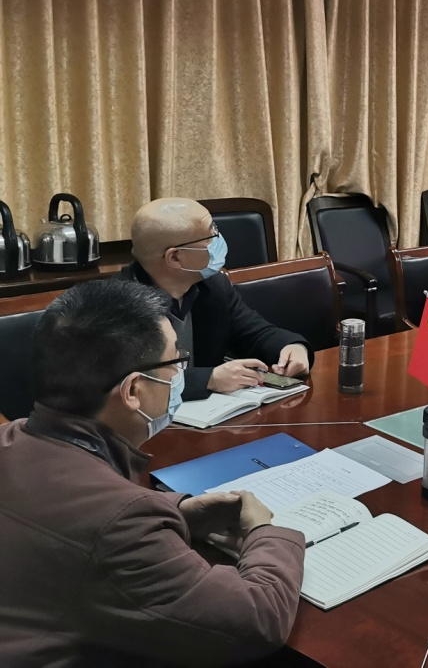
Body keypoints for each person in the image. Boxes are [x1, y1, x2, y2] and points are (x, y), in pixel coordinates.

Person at [0, 279, 304, 666]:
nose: (180, 376)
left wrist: (176, 511)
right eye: (175, 363)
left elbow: (67, 517)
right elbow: (257, 621)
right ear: (133, 390)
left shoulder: (11, 438)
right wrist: (265, 532)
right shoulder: (123, 523)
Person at [116, 197, 311, 400]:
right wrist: (209, 379)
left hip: (212, 412)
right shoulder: (116, 305)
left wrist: (293, 347)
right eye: (211, 235)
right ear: (175, 257)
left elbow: (254, 333)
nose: (218, 240)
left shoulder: (213, 285)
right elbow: (130, 383)